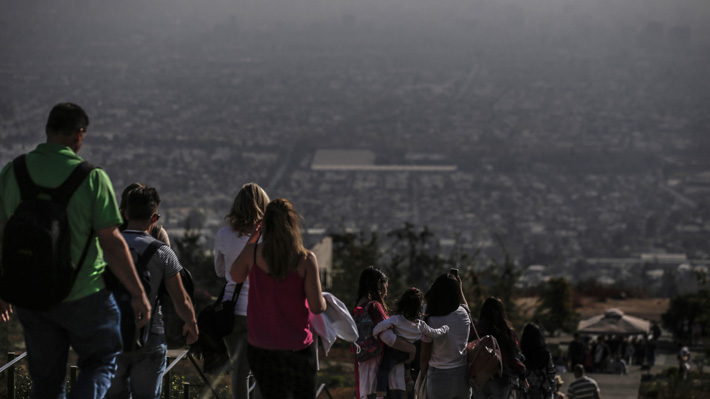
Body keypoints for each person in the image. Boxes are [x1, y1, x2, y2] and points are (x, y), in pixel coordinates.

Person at [0, 102, 151, 398]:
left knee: (45, 381)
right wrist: (138, 294)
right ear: (79, 135)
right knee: (101, 361)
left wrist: (3, 287)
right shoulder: (92, 178)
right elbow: (111, 243)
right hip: (85, 294)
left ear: (47, 131)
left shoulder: (12, 172)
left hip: (30, 296)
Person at [105, 186, 198, 399]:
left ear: (126, 213)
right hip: (151, 332)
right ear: (154, 217)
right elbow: (180, 297)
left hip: (111, 331)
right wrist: (191, 324)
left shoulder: (106, 247)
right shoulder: (163, 253)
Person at [230, 198, 326, 399]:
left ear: (266, 224)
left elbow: (235, 276)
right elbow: (317, 307)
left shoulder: (253, 253)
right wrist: (326, 300)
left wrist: (254, 238)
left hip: (262, 347)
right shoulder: (306, 259)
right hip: (297, 346)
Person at [214, 182, 269, 399]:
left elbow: (220, 271)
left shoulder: (223, 234)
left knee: (240, 369)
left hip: (232, 309)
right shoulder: (269, 237)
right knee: (263, 367)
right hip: (261, 311)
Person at [372, 287, 450, 398]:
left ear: (403, 303)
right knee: (407, 361)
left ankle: (380, 395)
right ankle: (408, 377)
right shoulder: (421, 325)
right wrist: (445, 328)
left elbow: (381, 326)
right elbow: (434, 333)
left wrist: (375, 334)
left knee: (383, 371)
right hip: (407, 354)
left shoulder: (397, 319)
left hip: (394, 352)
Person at [353, 266, 415, 399]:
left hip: (366, 376)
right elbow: (387, 337)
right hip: (384, 379)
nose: (386, 293)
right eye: (386, 287)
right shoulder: (375, 306)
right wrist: (412, 349)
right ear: (379, 284)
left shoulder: (359, 307)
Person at [420, 272, 472, 399]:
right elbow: (467, 308)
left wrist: (423, 375)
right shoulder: (464, 314)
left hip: (439, 376)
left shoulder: (431, 318)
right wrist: (460, 288)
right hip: (463, 376)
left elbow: (424, 355)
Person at [472, 297, 526, 399]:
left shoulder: (475, 331)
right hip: (501, 378)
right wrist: (521, 371)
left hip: (479, 378)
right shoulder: (507, 333)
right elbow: (514, 356)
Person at [520, 323, 556, 399]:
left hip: (527, 395)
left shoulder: (521, 357)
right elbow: (551, 374)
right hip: (544, 394)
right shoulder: (546, 355)